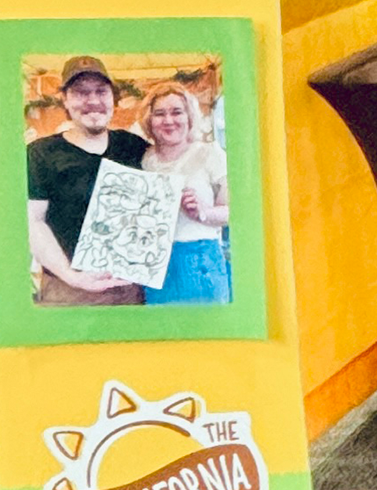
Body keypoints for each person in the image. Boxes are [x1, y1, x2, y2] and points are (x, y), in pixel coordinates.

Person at [26, 55, 148, 305]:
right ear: (65, 100)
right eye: (81, 93)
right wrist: (71, 276)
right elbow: (33, 221)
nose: (93, 101)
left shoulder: (132, 146)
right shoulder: (42, 153)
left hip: (130, 291)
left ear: (113, 98)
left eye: (101, 91)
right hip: (68, 294)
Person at [139, 81, 230, 306]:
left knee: (205, 337)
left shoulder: (210, 154)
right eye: (159, 114)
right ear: (149, 120)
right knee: (162, 337)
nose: (168, 120)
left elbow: (233, 212)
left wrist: (202, 212)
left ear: (189, 116)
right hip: (155, 266)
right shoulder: (145, 160)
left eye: (177, 112)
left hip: (200, 260)